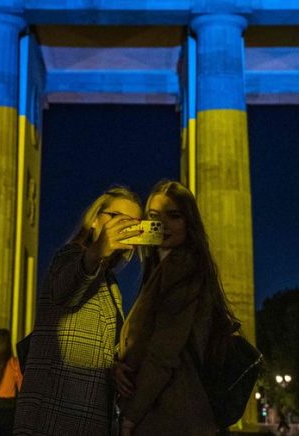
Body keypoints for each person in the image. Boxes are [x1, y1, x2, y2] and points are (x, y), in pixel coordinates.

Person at [13, 185, 143, 435]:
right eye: (117, 217)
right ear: (94, 221)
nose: (125, 227)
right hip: (52, 415)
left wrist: (113, 369)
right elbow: (66, 289)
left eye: (134, 223)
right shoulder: (70, 255)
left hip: (89, 416)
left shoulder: (111, 284)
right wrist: (96, 252)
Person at [117, 179, 238, 436]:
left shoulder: (181, 266)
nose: (162, 225)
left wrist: (130, 416)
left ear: (188, 222)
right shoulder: (164, 268)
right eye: (153, 216)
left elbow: (163, 352)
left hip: (170, 414)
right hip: (174, 412)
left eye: (173, 216)